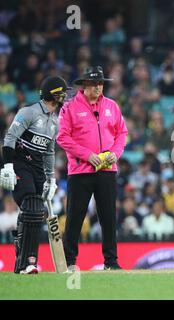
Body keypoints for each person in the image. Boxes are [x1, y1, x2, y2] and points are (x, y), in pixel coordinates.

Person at [57, 66, 128, 270]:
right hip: (80, 171)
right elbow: (62, 137)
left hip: (107, 169)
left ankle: (111, 262)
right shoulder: (69, 107)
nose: (99, 87)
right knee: (75, 217)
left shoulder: (112, 106)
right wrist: (87, 155)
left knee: (108, 217)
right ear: (84, 85)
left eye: (101, 83)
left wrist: (116, 153)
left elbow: (122, 133)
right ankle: (69, 262)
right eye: (95, 83)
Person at [0, 76, 67, 274]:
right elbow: (10, 137)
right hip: (21, 165)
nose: (65, 95)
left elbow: (48, 152)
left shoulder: (55, 121)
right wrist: (8, 166)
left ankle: (22, 262)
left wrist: (51, 179)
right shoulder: (29, 112)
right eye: (62, 92)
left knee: (36, 213)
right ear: (52, 94)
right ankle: (28, 263)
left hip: (38, 170)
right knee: (30, 205)